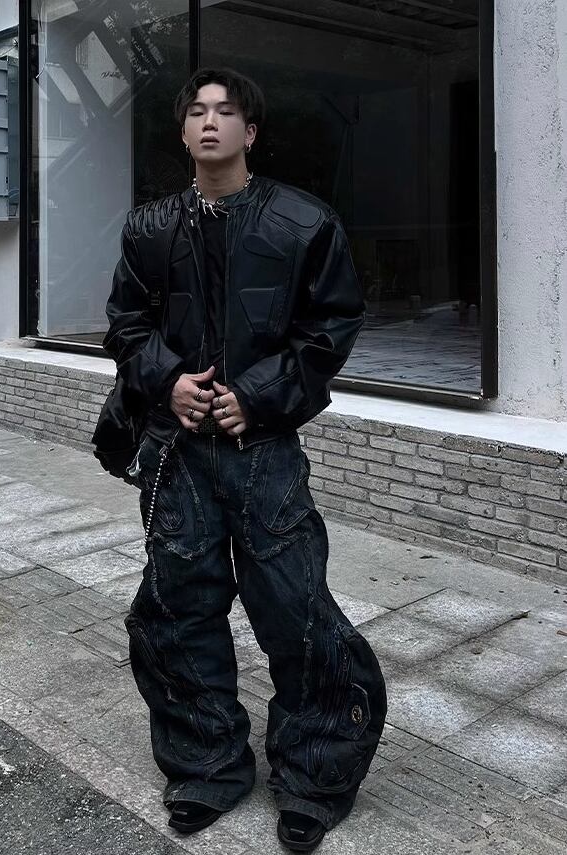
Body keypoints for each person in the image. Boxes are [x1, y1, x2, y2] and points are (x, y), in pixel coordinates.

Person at [103, 67, 387, 852]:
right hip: (177, 453)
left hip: (264, 452)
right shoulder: (148, 227)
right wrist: (170, 380)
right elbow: (125, 324)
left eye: (226, 111)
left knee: (296, 610)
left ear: (250, 132)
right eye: (196, 110)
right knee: (176, 611)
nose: (210, 121)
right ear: (182, 130)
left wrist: (257, 397)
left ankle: (314, 774)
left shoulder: (305, 222)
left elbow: (330, 327)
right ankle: (206, 767)